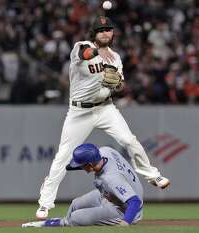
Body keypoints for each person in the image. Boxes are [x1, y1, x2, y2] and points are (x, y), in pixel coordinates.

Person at [36, 16, 170, 220]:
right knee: (63, 155)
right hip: (80, 112)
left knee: (129, 140)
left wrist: (117, 84)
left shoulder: (116, 58)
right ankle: (45, 203)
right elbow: (85, 54)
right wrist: (99, 52)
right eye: (101, 30)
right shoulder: (81, 46)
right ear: (94, 34)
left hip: (106, 108)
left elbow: (121, 86)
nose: (105, 33)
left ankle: (152, 175)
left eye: (108, 29)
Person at [23, 143, 143, 227]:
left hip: (126, 210)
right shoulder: (105, 151)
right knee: (75, 203)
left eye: (82, 165)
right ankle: (67, 222)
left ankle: (66, 223)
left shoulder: (111, 178)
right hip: (113, 194)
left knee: (76, 217)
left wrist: (126, 222)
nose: (80, 167)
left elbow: (135, 202)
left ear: (90, 164)